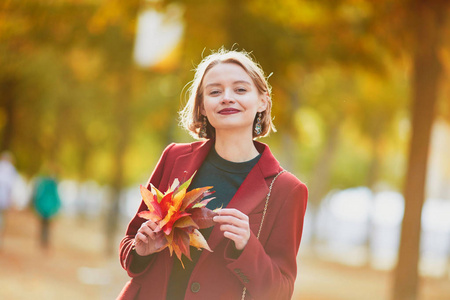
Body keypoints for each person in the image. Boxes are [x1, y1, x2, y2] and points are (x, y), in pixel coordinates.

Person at [117, 48, 308, 300]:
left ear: (263, 100)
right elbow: (130, 249)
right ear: (203, 106)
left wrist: (246, 247)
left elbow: (279, 293)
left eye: (240, 90)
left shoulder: (287, 190)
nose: (227, 98)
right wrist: (142, 250)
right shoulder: (174, 157)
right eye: (215, 91)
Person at [0, 151, 17, 248]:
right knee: (2, 218)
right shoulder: (11, 169)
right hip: (4, 199)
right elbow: (11, 186)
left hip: (4, 198)